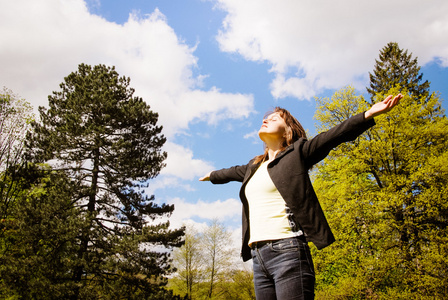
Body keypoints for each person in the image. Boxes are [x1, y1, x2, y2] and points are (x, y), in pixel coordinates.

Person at [199, 94, 402, 300]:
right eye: (267, 117)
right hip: (258, 257)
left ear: (287, 130)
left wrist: (367, 115)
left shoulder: (298, 153)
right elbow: (232, 172)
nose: (267, 119)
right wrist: (212, 175)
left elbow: (333, 136)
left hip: (288, 252)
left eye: (275, 118)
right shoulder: (253, 167)